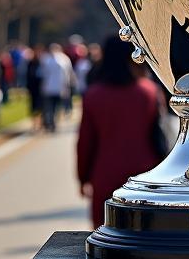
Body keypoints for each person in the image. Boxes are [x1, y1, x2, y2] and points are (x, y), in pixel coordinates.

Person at [76, 36, 166, 228]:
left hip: (105, 174)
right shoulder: (149, 92)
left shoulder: (93, 95)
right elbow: (160, 138)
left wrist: (83, 177)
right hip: (145, 175)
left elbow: (85, 142)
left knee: (105, 238)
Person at [40, 43, 74, 133]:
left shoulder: (48, 59)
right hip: (56, 88)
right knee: (54, 107)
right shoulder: (63, 59)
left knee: (52, 107)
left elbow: (42, 74)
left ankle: (51, 122)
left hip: (53, 88)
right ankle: (51, 122)